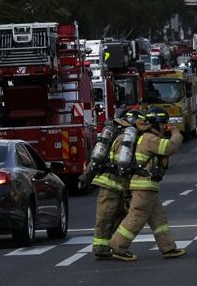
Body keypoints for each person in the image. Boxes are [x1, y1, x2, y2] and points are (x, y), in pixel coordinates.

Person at [109, 107, 185, 261]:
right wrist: (177, 134)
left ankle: (168, 248)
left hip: (147, 185)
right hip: (144, 186)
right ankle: (118, 246)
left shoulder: (147, 136)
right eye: (163, 124)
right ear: (155, 124)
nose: (165, 127)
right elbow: (170, 147)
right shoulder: (150, 138)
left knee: (159, 219)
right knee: (136, 216)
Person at [79, 110, 146, 259]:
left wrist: (85, 178)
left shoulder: (114, 136)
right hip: (113, 185)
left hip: (110, 184)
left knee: (112, 217)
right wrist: (128, 190)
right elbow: (122, 166)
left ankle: (109, 246)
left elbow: (96, 160)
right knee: (107, 218)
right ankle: (101, 248)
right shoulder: (125, 140)